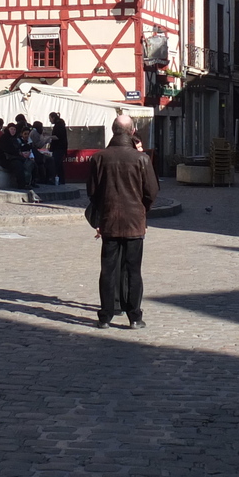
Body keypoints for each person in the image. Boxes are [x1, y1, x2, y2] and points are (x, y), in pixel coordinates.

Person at [85, 115, 159, 329]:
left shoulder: (99, 158)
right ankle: (134, 317)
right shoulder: (141, 159)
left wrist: (101, 211)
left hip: (109, 220)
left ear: (113, 130)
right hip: (134, 222)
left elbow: (92, 191)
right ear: (132, 131)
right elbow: (151, 192)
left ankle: (106, 316)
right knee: (133, 270)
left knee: (108, 270)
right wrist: (142, 209)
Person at [49, 113, 68, 185]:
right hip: (60, 148)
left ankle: (56, 179)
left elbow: (57, 136)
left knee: (56, 164)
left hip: (58, 148)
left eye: (50, 118)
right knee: (59, 165)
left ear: (53, 118)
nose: (50, 120)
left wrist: (49, 137)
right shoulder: (60, 125)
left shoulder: (59, 126)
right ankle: (61, 180)